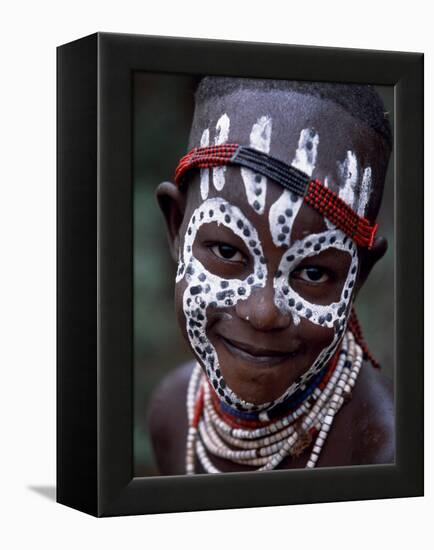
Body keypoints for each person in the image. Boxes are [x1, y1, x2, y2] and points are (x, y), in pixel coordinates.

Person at [148, 77, 394, 475]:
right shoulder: (172, 412)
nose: (263, 313)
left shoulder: (390, 452)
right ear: (178, 227)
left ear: (357, 277)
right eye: (228, 251)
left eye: (313, 272)